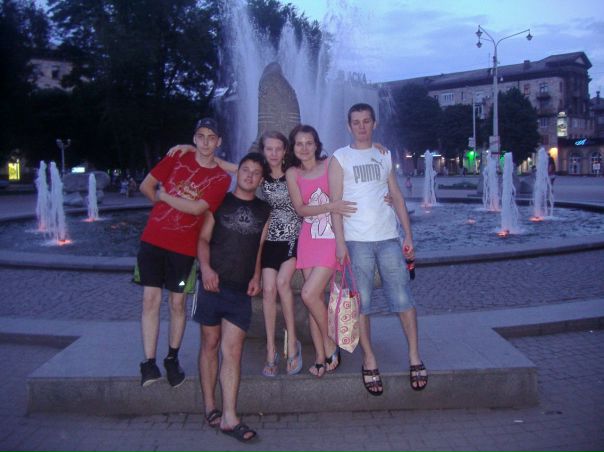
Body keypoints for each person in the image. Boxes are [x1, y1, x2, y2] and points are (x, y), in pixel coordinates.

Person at [167, 131, 304, 377]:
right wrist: (191, 148)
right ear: (263, 151)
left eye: (278, 149)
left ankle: (292, 344)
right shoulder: (259, 173)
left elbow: (318, 167)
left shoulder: (293, 172)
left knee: (283, 284)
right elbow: (220, 162)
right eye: (269, 149)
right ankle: (271, 349)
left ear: (285, 151)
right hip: (268, 239)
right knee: (268, 289)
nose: (273, 153)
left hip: (291, 239)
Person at [329, 103, 428, 396]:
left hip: (388, 238)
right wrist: (340, 244)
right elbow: (335, 205)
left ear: (375, 123)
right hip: (356, 241)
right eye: (356, 122)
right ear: (348, 126)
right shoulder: (339, 158)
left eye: (366, 121)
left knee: (403, 299)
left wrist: (408, 235)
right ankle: (369, 359)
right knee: (362, 305)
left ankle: (414, 356)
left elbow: (396, 195)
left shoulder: (384, 154)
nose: (361, 126)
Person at [137, 117, 231, 388]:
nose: (205, 142)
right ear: (194, 138)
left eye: (211, 137)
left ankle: (172, 357)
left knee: (177, 303)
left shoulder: (221, 177)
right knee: (150, 300)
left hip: (184, 248)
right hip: (153, 239)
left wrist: (164, 197)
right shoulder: (177, 158)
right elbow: (145, 185)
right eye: (201, 136)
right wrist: (158, 202)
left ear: (219, 142)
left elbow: (197, 208)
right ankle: (149, 362)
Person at [193, 152, 271, 443]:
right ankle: (210, 407)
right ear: (238, 172)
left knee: (233, 350)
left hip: (240, 290)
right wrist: (205, 268)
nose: (249, 175)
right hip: (212, 284)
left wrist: (256, 275)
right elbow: (202, 239)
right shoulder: (219, 201)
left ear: (260, 180)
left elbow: (259, 247)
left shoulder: (264, 210)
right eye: (245, 169)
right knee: (210, 344)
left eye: (255, 172)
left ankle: (229, 416)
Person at [285, 124, 357, 377]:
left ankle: (329, 341)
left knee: (308, 294)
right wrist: (331, 206)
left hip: (331, 239)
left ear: (316, 144)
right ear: (293, 148)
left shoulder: (330, 164)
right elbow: (300, 209)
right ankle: (319, 355)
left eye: (309, 143)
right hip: (309, 239)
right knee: (313, 300)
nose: (304, 148)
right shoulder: (292, 173)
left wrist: (378, 148)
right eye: (299, 143)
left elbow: (356, 162)